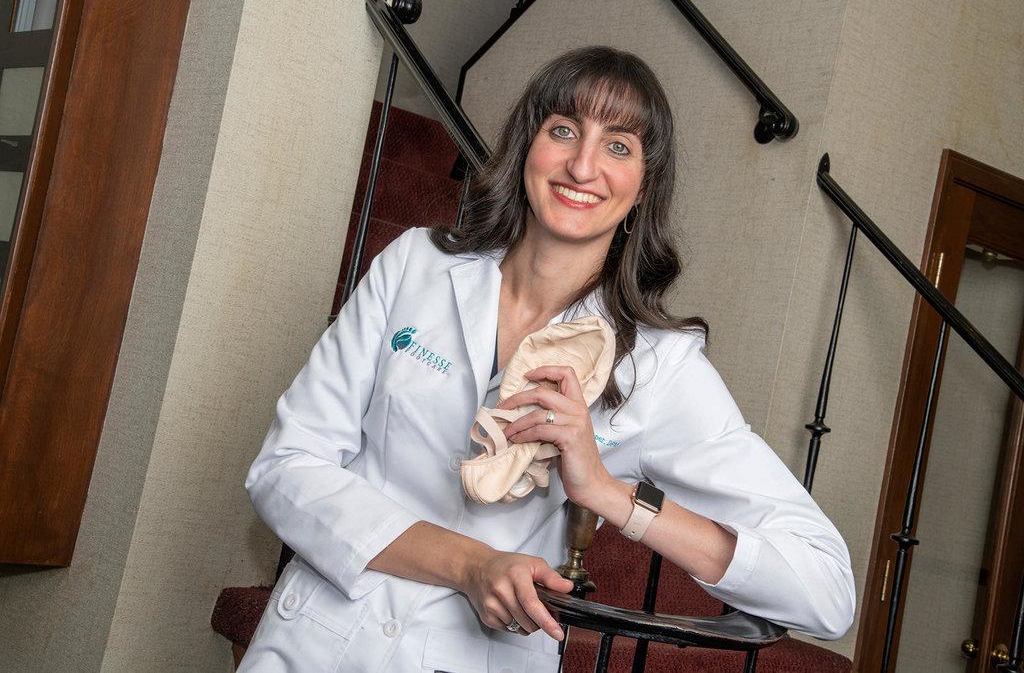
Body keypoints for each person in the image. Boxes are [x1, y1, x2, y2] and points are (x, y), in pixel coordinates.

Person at [239, 46, 856, 672]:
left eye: (619, 147)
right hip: (315, 642)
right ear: (526, 146)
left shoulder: (658, 368)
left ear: (645, 186)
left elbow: (825, 592)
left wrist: (610, 493)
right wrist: (471, 565)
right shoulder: (415, 265)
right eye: (563, 131)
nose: (583, 167)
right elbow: (285, 467)